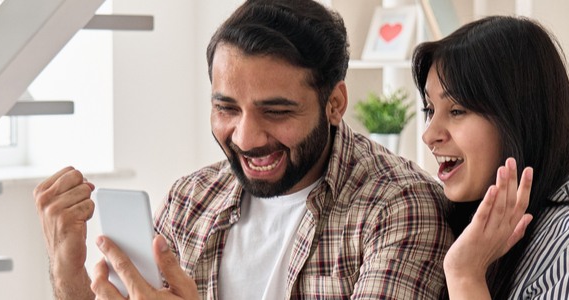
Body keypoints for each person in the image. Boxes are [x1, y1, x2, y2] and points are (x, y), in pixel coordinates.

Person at [33, 0, 453, 299]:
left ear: (335, 104)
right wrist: (67, 273)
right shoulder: (191, 199)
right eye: (226, 108)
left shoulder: (399, 205)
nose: (246, 137)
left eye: (276, 111)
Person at [414, 16, 569, 299]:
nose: (429, 135)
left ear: (519, 118)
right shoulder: (464, 222)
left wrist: (465, 274)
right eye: (429, 110)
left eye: (457, 110)